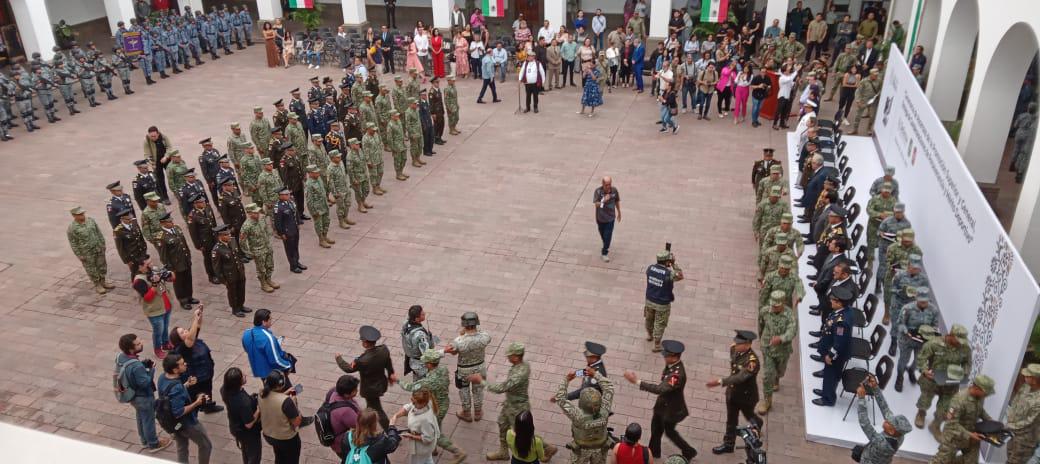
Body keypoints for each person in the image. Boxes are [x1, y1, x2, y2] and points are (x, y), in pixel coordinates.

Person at [623, 340, 697, 460]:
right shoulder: (672, 366)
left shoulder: (676, 375)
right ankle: (653, 452)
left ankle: (689, 451)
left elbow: (660, 389)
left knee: (669, 432)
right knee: (656, 429)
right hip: (662, 406)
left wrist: (637, 381)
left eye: (666, 356)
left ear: (674, 357)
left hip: (671, 410)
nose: (664, 358)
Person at [470, 342, 532, 461]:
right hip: (510, 404)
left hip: (518, 408)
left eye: (509, 355)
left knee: (523, 433)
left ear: (516, 357)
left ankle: (545, 448)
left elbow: (501, 388)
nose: (507, 357)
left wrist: (481, 381)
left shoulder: (519, 374)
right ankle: (503, 452)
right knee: (502, 424)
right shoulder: (522, 365)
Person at [707, 330, 763, 454]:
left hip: (746, 396)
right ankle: (728, 444)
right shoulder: (734, 349)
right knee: (731, 420)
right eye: (736, 343)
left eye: (739, 344)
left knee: (748, 415)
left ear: (748, 345)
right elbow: (734, 367)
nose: (736, 345)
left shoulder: (752, 362)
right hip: (733, 393)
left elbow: (739, 377)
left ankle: (758, 423)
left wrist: (720, 381)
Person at [116, 333, 173, 453]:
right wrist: (151, 370)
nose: (141, 343)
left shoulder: (121, 357)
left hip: (132, 395)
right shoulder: (136, 366)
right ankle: (153, 443)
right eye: (137, 344)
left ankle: (144, 441)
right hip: (143, 397)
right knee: (148, 420)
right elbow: (145, 383)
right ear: (131, 349)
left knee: (141, 418)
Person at [916, 324, 972, 436]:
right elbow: (921, 358)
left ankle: (935, 425)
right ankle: (921, 413)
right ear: (951, 335)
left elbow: (967, 363)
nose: (960, 342)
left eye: (962, 340)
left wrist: (964, 373)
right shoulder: (934, 344)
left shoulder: (965, 348)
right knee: (925, 400)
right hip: (932, 380)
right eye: (958, 339)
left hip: (951, 383)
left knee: (945, 408)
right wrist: (925, 370)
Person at [337, 326, 397, 429]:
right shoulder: (383, 349)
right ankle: (368, 419)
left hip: (370, 389)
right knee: (372, 406)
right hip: (381, 383)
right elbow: (388, 362)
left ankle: (390, 431)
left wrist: (339, 358)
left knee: (377, 409)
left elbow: (348, 369)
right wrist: (390, 373)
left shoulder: (362, 361)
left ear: (365, 343)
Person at [159, 354, 214, 464]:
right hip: (187, 424)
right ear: (175, 370)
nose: (185, 364)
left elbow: (169, 395)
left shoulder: (162, 377)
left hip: (175, 424)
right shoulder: (177, 387)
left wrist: (186, 384)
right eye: (182, 364)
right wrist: (197, 403)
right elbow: (179, 412)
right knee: (206, 445)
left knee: (182, 446)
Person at [555, 365, 613, 464]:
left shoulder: (577, 415)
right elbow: (609, 388)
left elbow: (560, 399)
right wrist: (595, 374)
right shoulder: (605, 410)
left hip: (581, 451)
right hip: (600, 449)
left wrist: (566, 380)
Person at [931, 375, 995, 463]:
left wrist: (990, 421)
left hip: (971, 437)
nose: (987, 395)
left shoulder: (979, 397)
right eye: (986, 392)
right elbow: (952, 424)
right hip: (953, 438)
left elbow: (980, 410)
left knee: (971, 462)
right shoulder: (959, 400)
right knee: (941, 461)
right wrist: (970, 435)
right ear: (977, 389)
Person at [170, 307, 223, 415]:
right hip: (196, 378)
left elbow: (197, 326)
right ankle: (194, 415)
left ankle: (208, 406)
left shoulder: (192, 338)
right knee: (196, 397)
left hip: (206, 373)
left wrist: (199, 314)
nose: (186, 330)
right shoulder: (182, 347)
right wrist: (194, 318)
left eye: (184, 329)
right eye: (182, 332)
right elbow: (189, 339)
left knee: (208, 391)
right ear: (178, 339)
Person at [853, 375, 911, 464]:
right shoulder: (900, 435)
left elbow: (865, 423)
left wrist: (861, 399)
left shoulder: (882, 444)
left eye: (888, 422)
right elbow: (885, 408)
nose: (886, 419)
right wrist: (875, 387)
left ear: (891, 431)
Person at [755, 291, 797, 414]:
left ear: (783, 303)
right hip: (768, 348)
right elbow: (760, 325)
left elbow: (792, 331)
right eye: (773, 305)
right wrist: (762, 339)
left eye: (777, 306)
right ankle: (767, 401)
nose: (773, 308)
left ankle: (777, 378)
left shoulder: (790, 316)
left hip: (782, 350)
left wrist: (781, 338)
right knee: (767, 375)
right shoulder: (765, 311)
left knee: (780, 370)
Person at [812, 286, 854, 407]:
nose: (830, 301)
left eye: (833, 300)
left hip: (836, 355)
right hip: (832, 348)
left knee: (831, 376)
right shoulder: (845, 311)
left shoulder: (841, 322)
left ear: (840, 303)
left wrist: (830, 355)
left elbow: (839, 342)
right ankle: (826, 391)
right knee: (828, 374)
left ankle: (828, 399)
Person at [445, 312, 491, 422]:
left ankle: (466, 413)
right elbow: (484, 335)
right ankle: (478, 412)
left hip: (464, 370)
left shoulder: (458, 341)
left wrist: (462, 334)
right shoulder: (485, 337)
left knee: (464, 390)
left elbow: (453, 352)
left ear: (464, 325)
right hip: (480, 367)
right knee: (478, 390)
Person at [259, 370, 312, 464]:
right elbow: (297, 422)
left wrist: (286, 394)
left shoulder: (261, 394)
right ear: (281, 384)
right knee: (292, 460)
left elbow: (273, 399)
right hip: (286, 438)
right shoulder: (286, 402)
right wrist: (294, 403)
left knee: (279, 457)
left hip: (269, 435)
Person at [644, 249, 684, 352]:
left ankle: (649, 335)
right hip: (662, 303)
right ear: (667, 262)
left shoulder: (650, 268)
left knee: (649, 319)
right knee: (659, 323)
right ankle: (657, 345)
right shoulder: (668, 274)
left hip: (649, 300)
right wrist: (674, 264)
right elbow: (680, 276)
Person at [220, 367, 262, 464]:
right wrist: (258, 410)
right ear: (238, 382)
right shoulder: (243, 402)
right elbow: (249, 424)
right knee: (254, 456)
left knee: (245, 451)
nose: (245, 376)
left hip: (235, 426)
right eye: (243, 376)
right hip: (248, 433)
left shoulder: (224, 390)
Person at [67, 206, 113, 294]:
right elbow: (73, 243)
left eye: (82, 213)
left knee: (102, 265)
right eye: (79, 214)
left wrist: (102, 244)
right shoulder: (72, 228)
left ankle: (103, 281)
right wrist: (79, 255)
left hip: (98, 247)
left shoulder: (91, 221)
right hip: (86, 252)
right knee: (91, 268)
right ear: (74, 215)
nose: (82, 216)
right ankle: (97, 284)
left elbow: (98, 232)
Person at [242, 309, 295, 380]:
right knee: (290, 390)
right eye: (270, 319)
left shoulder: (246, 333)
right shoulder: (268, 338)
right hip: (273, 374)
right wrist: (288, 365)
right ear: (264, 322)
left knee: (268, 390)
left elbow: (247, 348)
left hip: (259, 371)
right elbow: (275, 360)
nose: (271, 320)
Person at [212, 224, 250, 317]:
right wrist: (223, 280)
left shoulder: (231, 242)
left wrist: (242, 269)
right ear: (220, 236)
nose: (229, 236)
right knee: (233, 293)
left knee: (241, 290)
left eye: (229, 234)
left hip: (239, 272)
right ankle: (235, 309)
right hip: (229, 276)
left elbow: (237, 256)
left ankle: (241, 305)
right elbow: (217, 268)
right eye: (226, 235)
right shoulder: (217, 250)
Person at [1007, 364, 1040, 464]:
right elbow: (1015, 401)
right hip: (1012, 433)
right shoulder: (1026, 386)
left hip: (1025, 440)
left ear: (1034, 379)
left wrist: (1009, 426)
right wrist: (1010, 419)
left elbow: (1030, 422)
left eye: (1027, 376)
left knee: (1016, 461)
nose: (1024, 377)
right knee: (1009, 455)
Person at [326, 375, 362, 460]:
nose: (357, 391)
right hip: (342, 445)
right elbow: (360, 425)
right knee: (353, 460)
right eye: (355, 390)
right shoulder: (345, 411)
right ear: (346, 394)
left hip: (335, 438)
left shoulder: (333, 391)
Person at [593, 176, 621, 262]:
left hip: (610, 218)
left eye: (609, 184)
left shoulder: (614, 191)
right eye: (606, 185)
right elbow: (596, 204)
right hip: (600, 218)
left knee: (608, 236)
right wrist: (603, 200)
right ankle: (605, 244)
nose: (608, 186)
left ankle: (604, 252)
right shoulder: (598, 191)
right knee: (603, 235)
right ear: (602, 184)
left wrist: (619, 212)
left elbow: (617, 201)